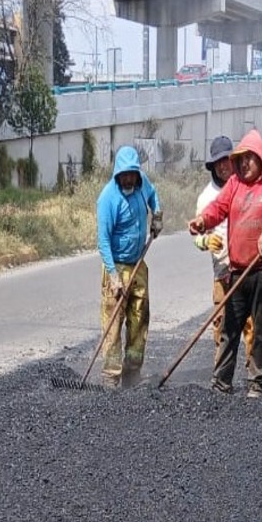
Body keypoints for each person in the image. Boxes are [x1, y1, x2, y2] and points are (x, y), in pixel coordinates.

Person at [188, 130, 262, 398]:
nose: (242, 165)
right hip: (237, 270)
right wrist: (203, 222)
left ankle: (257, 383)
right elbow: (218, 208)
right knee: (230, 328)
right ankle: (221, 382)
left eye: (247, 159)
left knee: (261, 329)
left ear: (260, 157)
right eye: (239, 160)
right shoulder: (235, 184)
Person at [96, 145, 162, 388]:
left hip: (138, 265)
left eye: (131, 174)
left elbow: (154, 196)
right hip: (116, 267)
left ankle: (132, 373)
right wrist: (113, 277)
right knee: (113, 323)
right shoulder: (108, 199)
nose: (128, 179)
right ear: (117, 174)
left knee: (139, 318)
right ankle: (111, 378)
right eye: (124, 175)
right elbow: (102, 241)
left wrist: (157, 216)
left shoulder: (142, 184)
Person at [194, 135, 255, 360]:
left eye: (226, 160)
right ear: (213, 166)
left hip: (247, 269)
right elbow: (196, 237)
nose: (222, 166)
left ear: (233, 160)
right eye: (217, 163)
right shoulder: (206, 198)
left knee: (251, 323)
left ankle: (253, 374)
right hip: (222, 272)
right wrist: (205, 241)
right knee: (221, 324)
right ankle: (220, 376)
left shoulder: (247, 187)